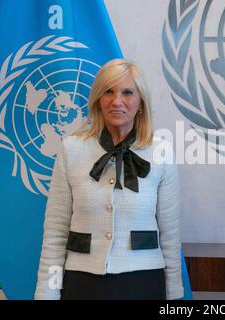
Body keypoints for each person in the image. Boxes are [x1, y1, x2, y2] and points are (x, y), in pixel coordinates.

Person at [35, 59, 183, 300]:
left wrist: (174, 293)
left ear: (141, 103)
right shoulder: (71, 149)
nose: (117, 101)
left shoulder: (161, 152)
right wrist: (47, 292)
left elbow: (171, 235)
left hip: (144, 282)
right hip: (82, 282)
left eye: (127, 93)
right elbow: (55, 233)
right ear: (97, 100)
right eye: (108, 92)